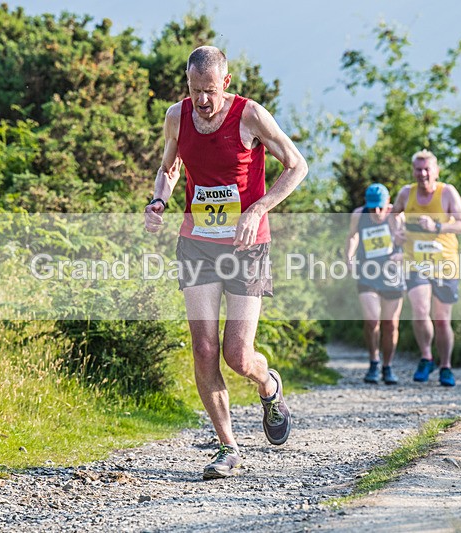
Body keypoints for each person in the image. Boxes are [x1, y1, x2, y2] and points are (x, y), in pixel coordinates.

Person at [144, 46, 308, 479]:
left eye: (210, 91)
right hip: (197, 243)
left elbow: (297, 166)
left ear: (226, 83)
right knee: (203, 348)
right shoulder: (176, 116)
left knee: (237, 354)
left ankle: (268, 384)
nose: (202, 100)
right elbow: (169, 167)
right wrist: (159, 200)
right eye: (194, 90)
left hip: (245, 246)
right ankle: (228, 446)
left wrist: (258, 208)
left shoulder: (250, 115)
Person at [392, 150, 461, 387]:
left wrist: (437, 226)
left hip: (445, 263)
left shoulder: (447, 193)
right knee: (419, 309)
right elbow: (393, 214)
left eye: (427, 169)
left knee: (442, 320)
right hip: (415, 262)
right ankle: (426, 357)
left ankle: (445, 366)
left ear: (436, 171)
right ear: (413, 171)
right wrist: (396, 232)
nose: (423, 174)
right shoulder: (406, 193)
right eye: (418, 169)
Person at [345, 183, 405, 385]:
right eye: (372, 208)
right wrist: (349, 257)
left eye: (380, 207)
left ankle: (388, 366)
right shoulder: (359, 215)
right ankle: (373, 362)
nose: (377, 212)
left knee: (390, 324)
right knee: (372, 320)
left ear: (388, 202)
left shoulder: (397, 216)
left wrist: (402, 254)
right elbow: (352, 236)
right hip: (367, 272)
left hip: (392, 274)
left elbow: (409, 241)